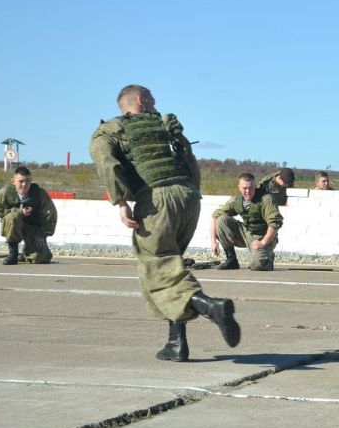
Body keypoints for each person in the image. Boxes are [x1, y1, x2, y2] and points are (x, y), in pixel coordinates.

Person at [90, 84, 240, 362]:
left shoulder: (109, 131)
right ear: (141, 100)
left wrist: (121, 201)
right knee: (173, 267)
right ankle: (176, 343)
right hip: (188, 197)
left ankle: (209, 306)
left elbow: (107, 164)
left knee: (157, 267)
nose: (156, 104)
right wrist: (192, 195)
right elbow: (189, 160)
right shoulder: (166, 125)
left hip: (157, 200)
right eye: (153, 99)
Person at [211, 172, 283, 271]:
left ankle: (268, 258)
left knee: (257, 266)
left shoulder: (266, 199)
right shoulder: (236, 201)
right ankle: (231, 260)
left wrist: (263, 243)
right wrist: (213, 242)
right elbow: (215, 216)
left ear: (255, 186)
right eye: (245, 188)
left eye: (251, 188)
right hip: (246, 233)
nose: (248, 191)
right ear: (239, 187)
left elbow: (275, 224)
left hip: (263, 237)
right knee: (221, 220)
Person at [0, 166, 58, 264]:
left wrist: (42, 234)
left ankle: (26, 253)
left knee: (40, 258)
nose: (24, 184)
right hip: (13, 225)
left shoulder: (39, 193)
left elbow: (51, 214)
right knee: (12, 217)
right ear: (13, 181)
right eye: (21, 181)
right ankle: (13, 254)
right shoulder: (5, 192)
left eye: (28, 181)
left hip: (33, 228)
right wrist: (19, 212)